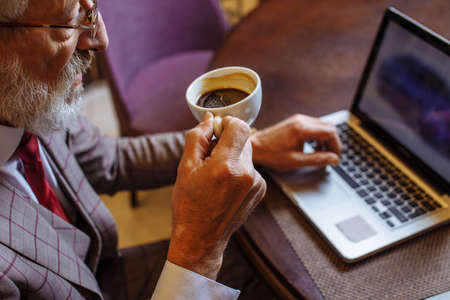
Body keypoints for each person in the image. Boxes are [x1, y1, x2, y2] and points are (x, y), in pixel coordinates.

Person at [0, 0, 341, 299]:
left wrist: (258, 144)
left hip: (100, 278)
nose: (101, 40)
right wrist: (198, 250)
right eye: (69, 20)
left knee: (284, 271)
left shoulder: (26, 101)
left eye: (91, 9)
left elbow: (109, 160)